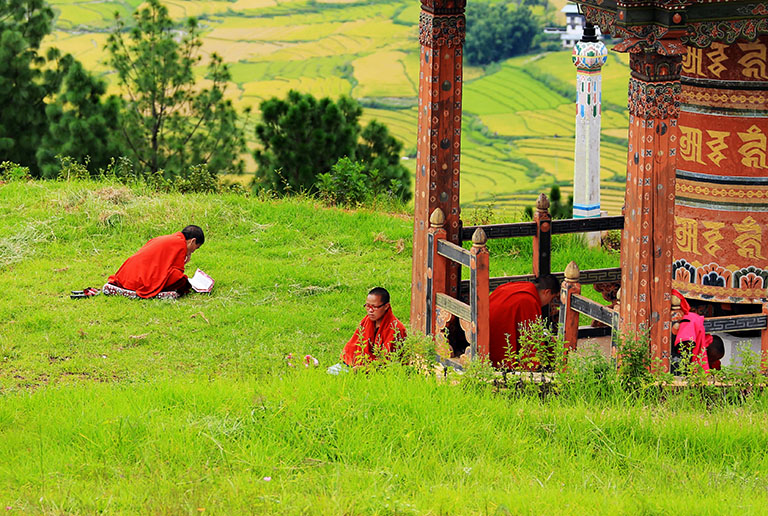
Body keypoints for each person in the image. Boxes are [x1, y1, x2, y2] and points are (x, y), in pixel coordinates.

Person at [105, 225, 204, 299]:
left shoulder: (172, 238)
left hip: (126, 275)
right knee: (182, 282)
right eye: (196, 247)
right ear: (192, 241)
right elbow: (176, 272)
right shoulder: (180, 245)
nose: (194, 250)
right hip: (139, 280)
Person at [488, 274, 560, 368]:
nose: (549, 303)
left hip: (484, 324)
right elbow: (531, 339)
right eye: (552, 298)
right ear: (547, 292)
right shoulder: (529, 301)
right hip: (494, 334)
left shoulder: (520, 286)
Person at [340, 287, 407, 367]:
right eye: (367, 306)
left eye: (374, 307)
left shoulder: (396, 328)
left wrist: (367, 368)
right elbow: (353, 347)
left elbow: (388, 360)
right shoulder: (366, 321)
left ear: (386, 306)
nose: (370, 311)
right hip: (358, 365)